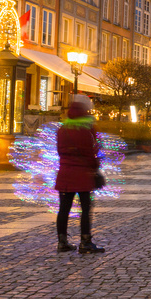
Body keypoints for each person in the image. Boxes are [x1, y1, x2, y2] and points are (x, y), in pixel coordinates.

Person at [55, 94, 104, 254]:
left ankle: (62, 242)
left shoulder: (62, 129)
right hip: (83, 175)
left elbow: (59, 151)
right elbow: (91, 153)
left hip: (65, 174)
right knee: (85, 209)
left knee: (64, 209)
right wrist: (96, 167)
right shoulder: (86, 130)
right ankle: (85, 242)